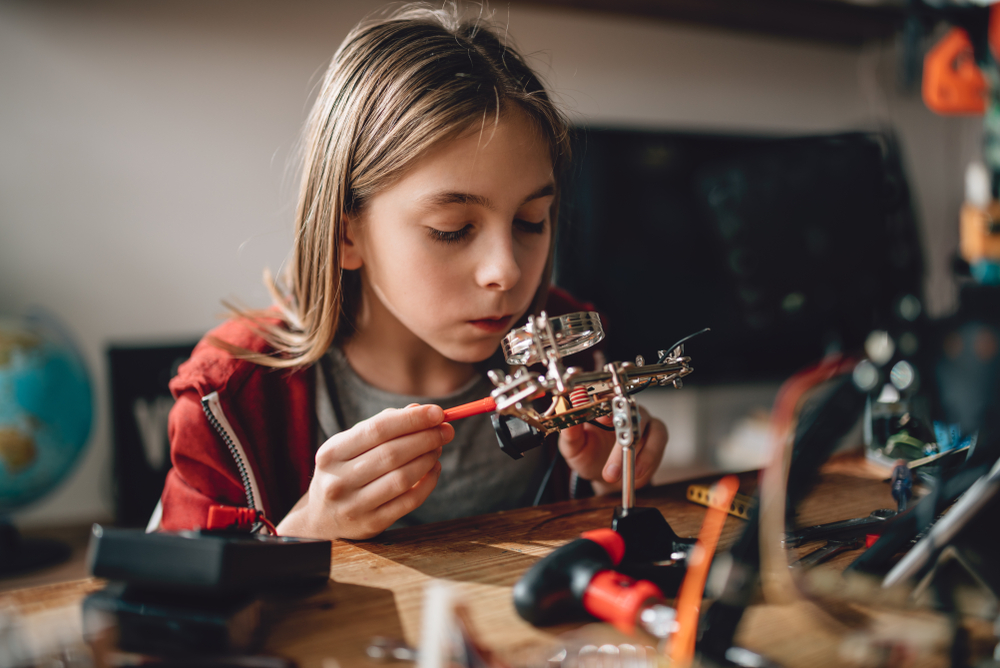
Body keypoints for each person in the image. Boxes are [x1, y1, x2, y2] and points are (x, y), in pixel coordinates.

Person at [159, 2, 668, 539]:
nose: (507, 272)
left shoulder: (566, 341)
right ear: (346, 234)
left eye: (530, 221)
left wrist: (613, 486)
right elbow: (172, 610)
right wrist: (303, 533)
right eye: (451, 228)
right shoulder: (230, 397)